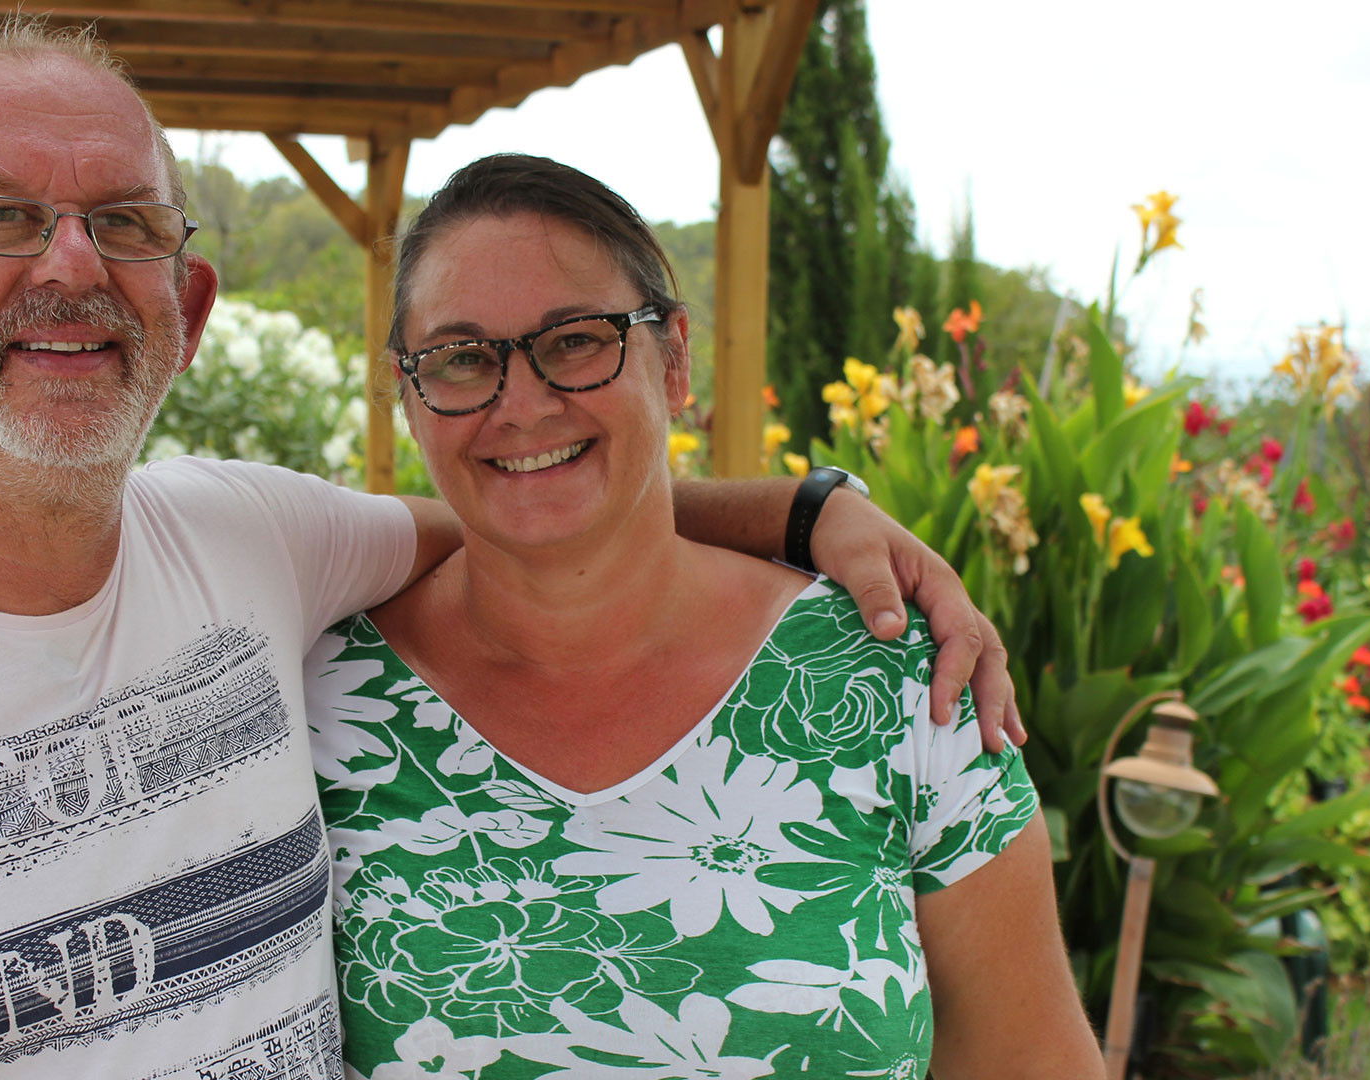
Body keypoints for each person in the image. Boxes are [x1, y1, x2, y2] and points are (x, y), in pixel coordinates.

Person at [0, 21, 1018, 1080]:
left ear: (186, 311)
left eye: (126, 224)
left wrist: (804, 513)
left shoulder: (249, 542)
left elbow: (532, 502)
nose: (71, 263)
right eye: (0, 216)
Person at [309, 155, 1102, 1079]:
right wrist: (804, 509)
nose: (520, 405)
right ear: (408, 396)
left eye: (575, 341)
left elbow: (1029, 1058)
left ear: (675, 357)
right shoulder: (316, 709)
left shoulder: (892, 681)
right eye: (462, 359)